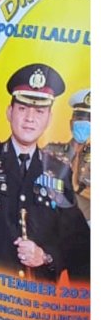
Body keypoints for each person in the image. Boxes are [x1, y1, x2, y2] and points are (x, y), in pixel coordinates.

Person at [0, 64, 90, 282]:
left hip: (35, 299)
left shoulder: (58, 169)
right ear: (9, 112)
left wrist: (46, 256)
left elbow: (75, 240)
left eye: (39, 111)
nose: (30, 118)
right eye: (22, 109)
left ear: (49, 118)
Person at [44, 88, 90, 222]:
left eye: (90, 120)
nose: (85, 123)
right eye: (80, 118)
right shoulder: (51, 150)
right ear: (71, 123)